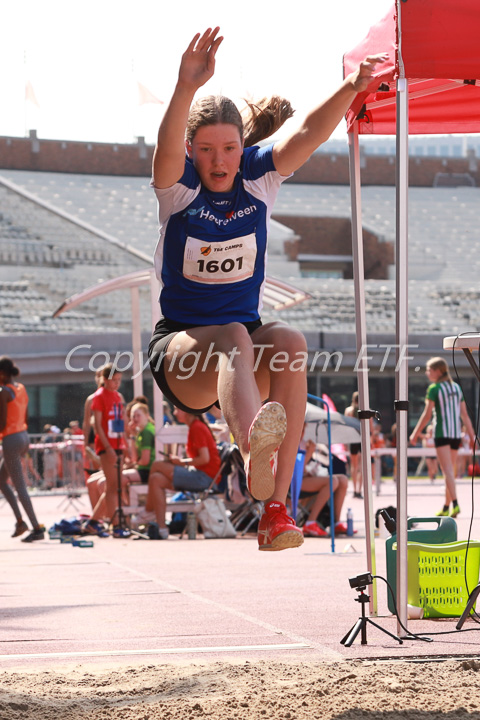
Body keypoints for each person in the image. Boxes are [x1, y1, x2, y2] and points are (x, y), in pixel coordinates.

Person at [147, 27, 386, 551]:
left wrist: (350, 86)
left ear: (241, 147)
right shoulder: (179, 186)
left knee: (291, 343)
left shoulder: (258, 178)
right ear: (192, 149)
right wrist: (185, 86)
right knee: (236, 332)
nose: (219, 161)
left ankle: (276, 509)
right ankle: (253, 446)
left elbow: (307, 132)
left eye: (229, 149)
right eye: (206, 150)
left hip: (243, 351)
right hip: (183, 354)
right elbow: (164, 150)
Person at [410, 356, 475, 517]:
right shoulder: (456, 388)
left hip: (441, 433)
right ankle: (446, 507)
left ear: (438, 371)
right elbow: (465, 415)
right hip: (455, 435)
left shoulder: (434, 389)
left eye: (429, 370)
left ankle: (455, 503)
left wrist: (415, 433)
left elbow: (426, 415)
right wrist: (473, 436)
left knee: (447, 472)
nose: (427, 373)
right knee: (450, 471)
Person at [146, 408, 221, 539]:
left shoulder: (197, 427)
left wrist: (181, 462)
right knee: (155, 479)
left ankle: (147, 510)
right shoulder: (194, 426)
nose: (174, 413)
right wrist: (179, 462)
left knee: (156, 465)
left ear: (187, 411)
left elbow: (205, 459)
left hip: (205, 478)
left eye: (176, 409)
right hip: (199, 474)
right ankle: (162, 528)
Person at [0, 356, 45, 541]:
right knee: (1, 480)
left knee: (20, 487)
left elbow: (2, 424)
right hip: (23, 437)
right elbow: (24, 417)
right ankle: (20, 522)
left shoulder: (3, 391)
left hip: (11, 439)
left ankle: (36, 528)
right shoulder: (21, 388)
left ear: (2, 374)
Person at [90, 363, 129, 536]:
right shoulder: (99, 396)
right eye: (114, 380)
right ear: (104, 380)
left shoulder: (118, 396)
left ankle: (93, 522)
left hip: (118, 444)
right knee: (112, 486)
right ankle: (115, 524)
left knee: (114, 486)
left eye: (119, 380)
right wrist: (107, 447)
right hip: (107, 446)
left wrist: (126, 444)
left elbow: (122, 423)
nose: (116, 384)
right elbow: (97, 425)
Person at [299, 438, 349, 538]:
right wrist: (310, 451)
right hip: (292, 482)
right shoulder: (292, 439)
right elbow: (298, 469)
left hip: (304, 477)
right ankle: (310, 522)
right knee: (332, 481)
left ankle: (336, 522)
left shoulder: (304, 441)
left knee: (343, 480)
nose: (304, 430)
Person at [345, 392, 362, 498]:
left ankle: (355, 489)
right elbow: (371, 428)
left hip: (352, 439)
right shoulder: (365, 410)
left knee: (354, 466)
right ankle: (359, 490)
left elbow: (346, 426)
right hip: (362, 438)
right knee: (361, 467)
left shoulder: (348, 411)